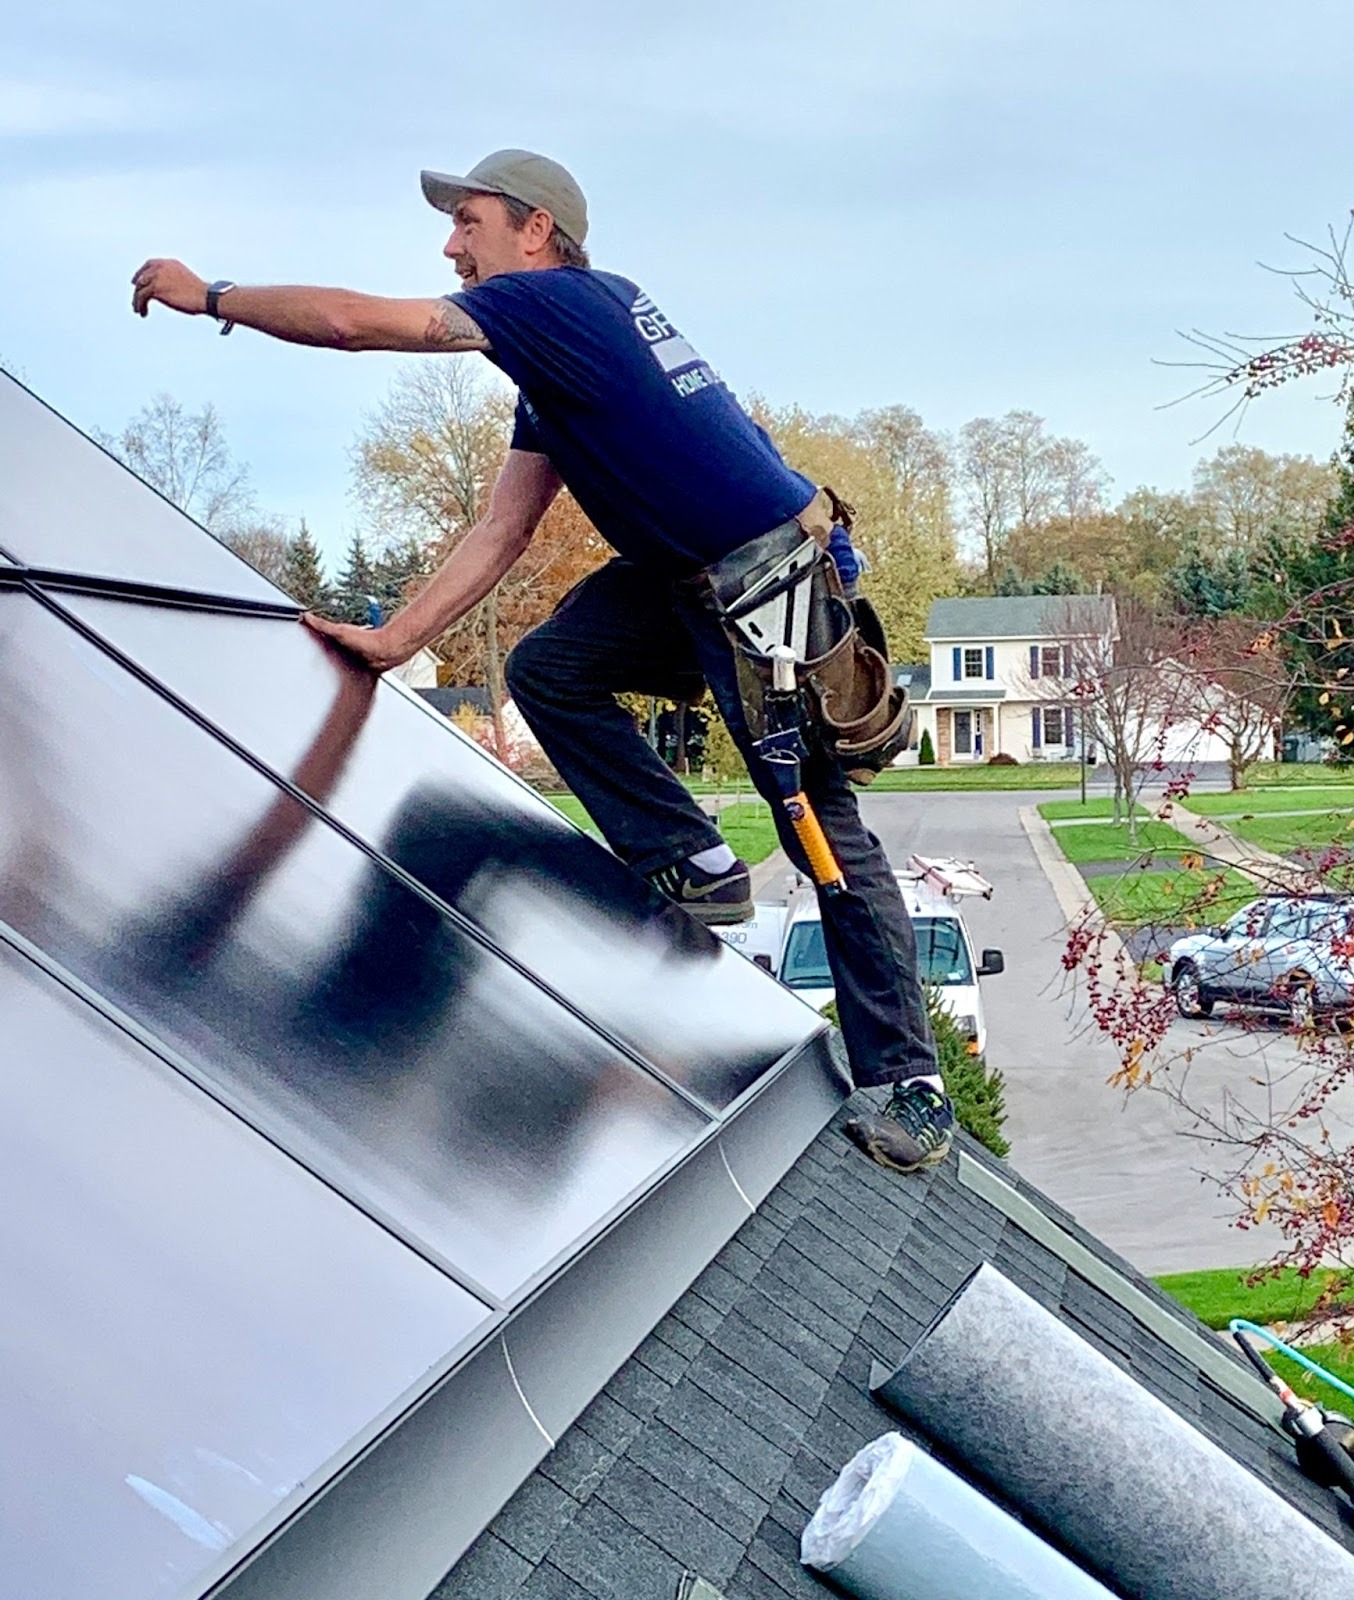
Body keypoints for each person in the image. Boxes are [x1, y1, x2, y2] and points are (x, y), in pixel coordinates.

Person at [131, 148, 953, 1173]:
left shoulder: (560, 306)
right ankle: (697, 863)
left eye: (467, 222)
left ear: (535, 231)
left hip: (764, 592)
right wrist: (396, 640)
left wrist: (214, 295)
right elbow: (503, 529)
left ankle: (912, 1086)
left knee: (819, 829)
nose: (449, 244)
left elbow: (354, 324)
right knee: (550, 666)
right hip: (685, 577)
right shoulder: (560, 358)